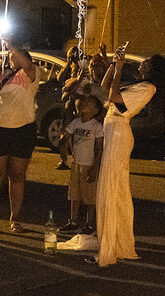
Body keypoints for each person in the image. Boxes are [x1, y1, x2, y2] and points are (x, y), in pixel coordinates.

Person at [93, 44, 156, 266]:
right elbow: (103, 88)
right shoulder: (138, 84)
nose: (141, 64)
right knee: (111, 187)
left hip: (119, 133)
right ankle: (111, 240)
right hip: (113, 131)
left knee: (113, 187)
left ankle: (112, 245)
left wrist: (119, 68)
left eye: (146, 63)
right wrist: (113, 64)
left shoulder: (148, 88)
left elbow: (113, 95)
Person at [0, 37, 39, 235]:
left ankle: (16, 219)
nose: (12, 58)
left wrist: (13, 46)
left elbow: (27, 64)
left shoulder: (31, 75)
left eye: (16, 56)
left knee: (18, 175)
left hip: (23, 130)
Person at [58, 95, 104, 236]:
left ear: (95, 110)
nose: (83, 104)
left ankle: (90, 224)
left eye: (88, 103)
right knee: (74, 194)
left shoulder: (96, 127)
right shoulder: (76, 123)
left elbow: (98, 149)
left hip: (88, 164)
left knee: (90, 196)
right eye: (84, 102)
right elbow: (65, 137)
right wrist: (63, 144)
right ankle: (73, 221)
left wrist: (94, 167)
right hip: (76, 163)